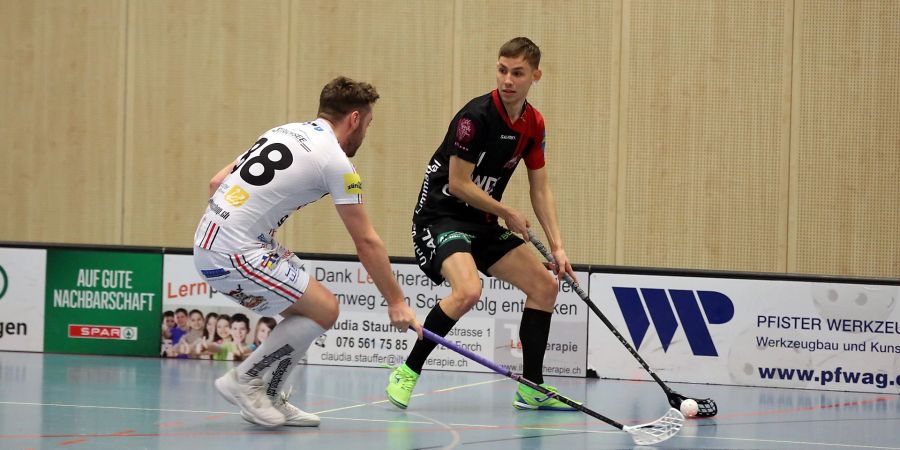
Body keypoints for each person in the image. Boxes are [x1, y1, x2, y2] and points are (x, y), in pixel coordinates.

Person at [193, 76, 421, 428]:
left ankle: (270, 394)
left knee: (308, 309)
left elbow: (215, 183)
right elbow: (366, 241)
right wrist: (397, 302)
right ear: (355, 119)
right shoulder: (337, 162)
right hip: (236, 250)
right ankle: (244, 380)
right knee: (325, 309)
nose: (365, 134)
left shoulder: (282, 131)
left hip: (210, 240)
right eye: (369, 124)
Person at [386, 37, 577, 411]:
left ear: (535, 76)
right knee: (468, 290)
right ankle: (407, 370)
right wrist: (506, 211)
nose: (508, 80)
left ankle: (532, 387)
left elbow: (541, 187)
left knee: (544, 286)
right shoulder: (475, 118)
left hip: (483, 219)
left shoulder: (534, 124)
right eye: (502, 70)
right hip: (442, 216)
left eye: (517, 73)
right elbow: (457, 184)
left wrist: (557, 246)